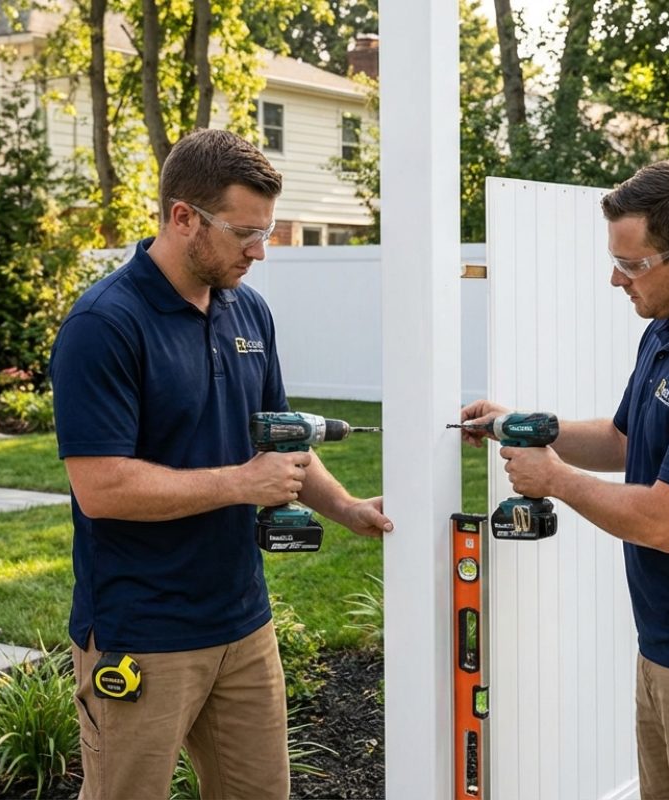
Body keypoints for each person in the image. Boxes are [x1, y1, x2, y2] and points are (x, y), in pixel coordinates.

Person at [50, 128, 393, 799]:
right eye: (244, 233)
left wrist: (348, 508)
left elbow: (282, 441)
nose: (259, 251)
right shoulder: (104, 325)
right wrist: (242, 484)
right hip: (141, 631)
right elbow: (101, 487)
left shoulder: (249, 311)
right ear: (184, 218)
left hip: (243, 623)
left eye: (265, 232)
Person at [461, 159, 669, 799]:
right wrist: (525, 427)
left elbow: (668, 524)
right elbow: (624, 439)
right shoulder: (668, 332)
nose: (616, 278)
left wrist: (556, 479)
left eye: (634, 263)